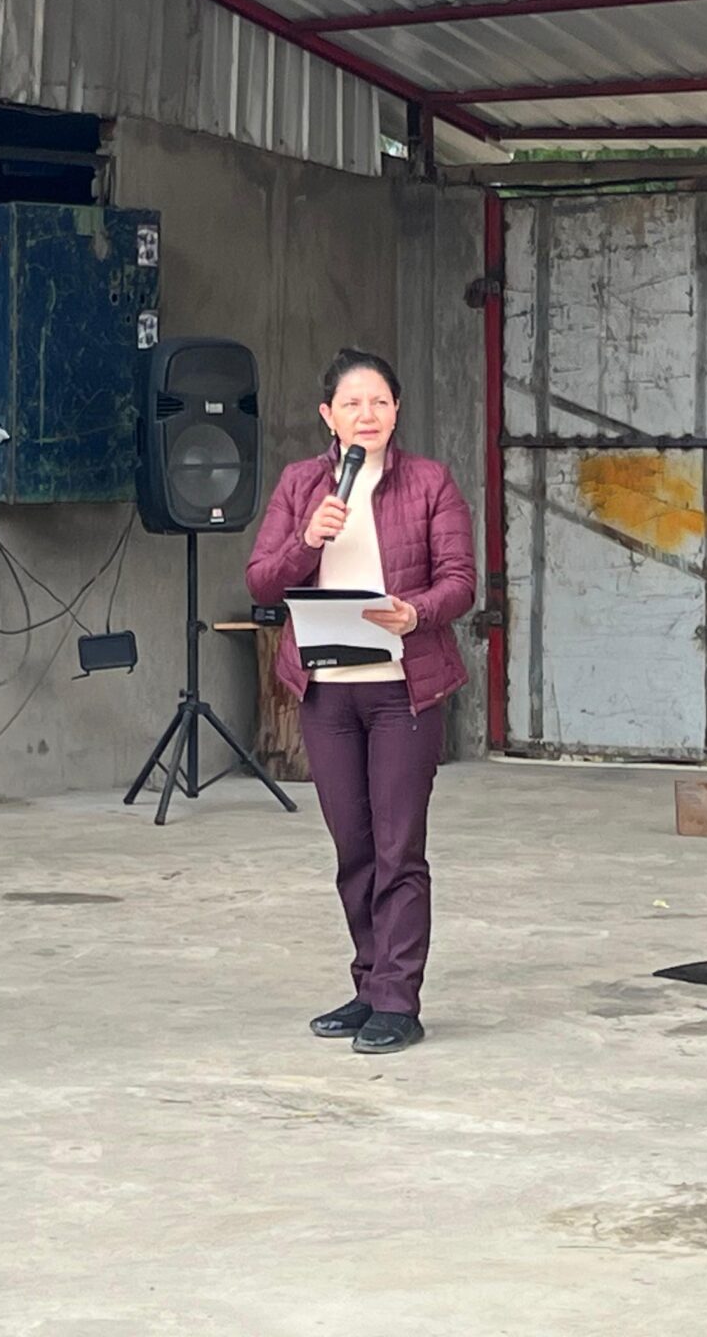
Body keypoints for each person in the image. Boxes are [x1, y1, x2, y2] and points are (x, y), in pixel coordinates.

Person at [247, 348, 475, 1056]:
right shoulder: (300, 485)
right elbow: (261, 582)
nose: (366, 415)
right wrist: (303, 541)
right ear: (328, 416)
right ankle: (369, 982)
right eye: (352, 404)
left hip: (402, 688)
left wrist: (418, 613)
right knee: (353, 846)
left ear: (397, 410)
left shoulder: (430, 482)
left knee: (397, 846)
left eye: (379, 403)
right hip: (325, 691)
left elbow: (462, 580)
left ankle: (399, 1001)